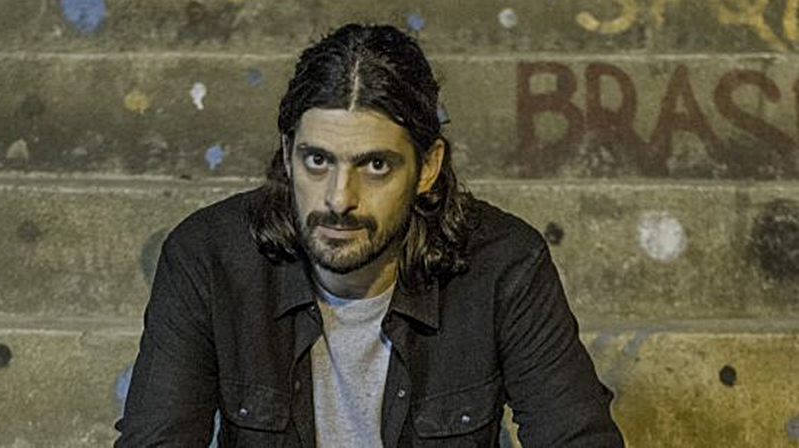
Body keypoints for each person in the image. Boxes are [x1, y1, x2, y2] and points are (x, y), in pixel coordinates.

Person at [115, 23, 624, 447]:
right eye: (318, 161)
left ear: (427, 167)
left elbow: (576, 438)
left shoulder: (505, 264)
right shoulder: (208, 257)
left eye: (375, 165)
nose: (339, 199)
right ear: (288, 153)